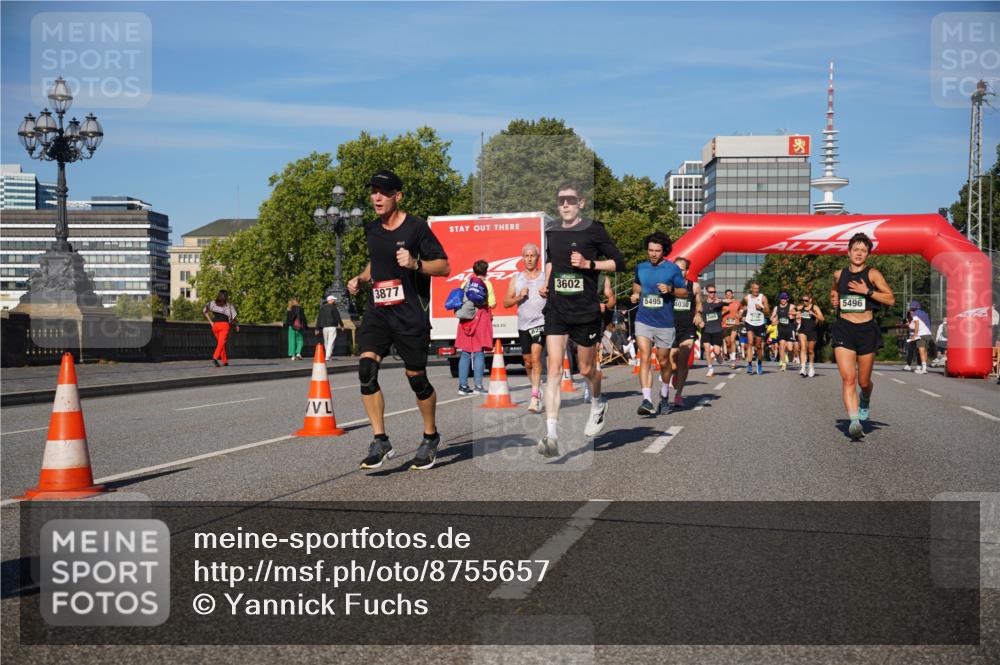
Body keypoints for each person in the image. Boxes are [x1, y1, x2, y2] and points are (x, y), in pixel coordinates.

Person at [347, 170, 450, 470]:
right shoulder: (372, 229)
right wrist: (361, 278)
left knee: (416, 378)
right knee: (366, 370)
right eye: (373, 192)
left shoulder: (417, 228)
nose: (377, 197)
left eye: (383, 192)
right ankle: (380, 440)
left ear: (398, 196)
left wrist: (416, 263)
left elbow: (444, 266)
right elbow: (376, 262)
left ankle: (430, 436)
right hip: (378, 312)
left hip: (409, 314)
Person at [536, 181, 625, 457]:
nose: (565, 204)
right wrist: (546, 282)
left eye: (571, 200)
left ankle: (598, 403)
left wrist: (590, 264)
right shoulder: (551, 231)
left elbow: (619, 262)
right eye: (561, 200)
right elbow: (551, 261)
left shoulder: (594, 229)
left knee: (586, 370)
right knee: (553, 369)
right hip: (557, 309)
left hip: (585, 310)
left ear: (581, 203)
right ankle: (551, 435)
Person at [830, 232, 894, 440]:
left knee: (863, 381)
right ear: (848, 252)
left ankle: (865, 398)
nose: (859, 253)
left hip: (866, 330)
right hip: (844, 328)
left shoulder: (873, 274)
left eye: (863, 250)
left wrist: (867, 292)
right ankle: (854, 422)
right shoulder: (839, 274)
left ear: (868, 254)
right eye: (855, 250)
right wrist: (834, 300)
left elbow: (890, 299)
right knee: (848, 378)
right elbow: (834, 290)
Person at [630, 232, 687, 415]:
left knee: (663, 361)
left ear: (664, 251)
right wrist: (636, 294)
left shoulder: (672, 269)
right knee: (644, 356)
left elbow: (684, 292)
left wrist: (670, 289)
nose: (653, 254)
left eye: (657, 251)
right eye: (650, 250)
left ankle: (664, 396)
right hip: (643, 319)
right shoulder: (641, 267)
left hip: (665, 322)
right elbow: (637, 285)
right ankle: (646, 400)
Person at [505, 243, 546, 412]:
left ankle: (534, 397)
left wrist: (548, 294)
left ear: (538, 258)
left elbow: (558, 297)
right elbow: (506, 302)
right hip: (523, 325)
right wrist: (518, 297)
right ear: (522, 258)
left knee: (535, 358)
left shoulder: (545, 277)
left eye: (532, 256)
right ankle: (537, 388)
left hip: (540, 322)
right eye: (526, 256)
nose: (529, 259)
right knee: (528, 363)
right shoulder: (516, 279)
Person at [456, 266, 493, 395]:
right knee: (479, 352)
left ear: (474, 271)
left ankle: (463, 386)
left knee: (465, 353)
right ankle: (478, 386)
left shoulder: (465, 283)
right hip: (480, 319)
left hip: (465, 321)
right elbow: (492, 302)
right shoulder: (487, 284)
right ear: (486, 271)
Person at [670, 256, 700, 408]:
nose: (678, 272)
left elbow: (699, 304)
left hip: (688, 328)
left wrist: (698, 314)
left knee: (683, 361)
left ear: (687, 271)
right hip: (670, 328)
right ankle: (675, 373)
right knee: (671, 361)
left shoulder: (694, 286)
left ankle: (678, 394)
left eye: (681, 269)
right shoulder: (668, 286)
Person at [203, 289, 238, 367]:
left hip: (215, 325)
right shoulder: (229, 306)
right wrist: (236, 325)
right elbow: (234, 318)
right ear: (226, 296)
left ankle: (224, 361)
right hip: (224, 326)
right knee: (221, 343)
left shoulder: (212, 303)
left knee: (220, 344)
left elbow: (204, 311)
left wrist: (210, 322)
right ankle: (215, 357)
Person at [743, 282, 770, 375]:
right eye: (755, 288)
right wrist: (740, 313)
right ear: (751, 289)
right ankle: (750, 364)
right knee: (750, 342)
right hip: (749, 322)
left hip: (760, 323)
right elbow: (742, 307)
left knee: (758, 346)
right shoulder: (747, 298)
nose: (756, 290)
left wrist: (761, 309)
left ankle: (759, 363)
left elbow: (768, 311)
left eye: (758, 289)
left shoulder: (763, 297)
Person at [797, 294, 824, 376]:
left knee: (811, 351)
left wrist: (814, 314)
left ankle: (811, 367)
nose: (804, 302)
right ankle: (803, 368)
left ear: (810, 300)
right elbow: (791, 311)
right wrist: (795, 313)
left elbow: (822, 318)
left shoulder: (815, 307)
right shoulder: (801, 307)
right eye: (803, 300)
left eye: (806, 300)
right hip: (802, 330)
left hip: (812, 331)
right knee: (803, 348)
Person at [701, 285, 725, 377]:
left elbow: (730, 301)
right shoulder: (703, 304)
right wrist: (700, 322)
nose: (713, 294)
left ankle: (719, 355)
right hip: (706, 330)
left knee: (716, 352)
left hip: (717, 330)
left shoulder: (719, 303)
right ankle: (710, 368)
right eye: (711, 292)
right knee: (707, 349)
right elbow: (698, 314)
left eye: (714, 292)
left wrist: (721, 300)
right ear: (707, 293)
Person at [770, 292, 797, 371]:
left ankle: (785, 355)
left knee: (790, 348)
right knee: (781, 346)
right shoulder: (776, 308)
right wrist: (773, 319)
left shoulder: (791, 306)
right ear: (780, 299)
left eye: (785, 298)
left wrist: (793, 315)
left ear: (787, 299)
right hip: (781, 329)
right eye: (782, 298)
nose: (783, 300)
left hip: (790, 329)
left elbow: (798, 313)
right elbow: (772, 318)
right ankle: (783, 364)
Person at [314, 294, 344, 362]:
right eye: (333, 299)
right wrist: (342, 325)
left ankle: (328, 355)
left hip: (324, 327)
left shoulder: (322, 308)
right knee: (331, 341)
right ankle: (327, 356)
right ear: (330, 300)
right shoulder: (333, 307)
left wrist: (317, 328)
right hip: (332, 326)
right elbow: (337, 316)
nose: (334, 301)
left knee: (326, 342)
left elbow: (319, 318)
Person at [908, 300, 932, 374]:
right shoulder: (925, 313)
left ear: (912, 308)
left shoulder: (915, 314)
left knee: (921, 350)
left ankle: (923, 369)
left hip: (921, 334)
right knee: (925, 351)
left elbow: (917, 324)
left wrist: (915, 335)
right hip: (928, 333)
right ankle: (924, 367)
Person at [721, 289, 742, 368]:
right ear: (725, 295)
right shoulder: (722, 303)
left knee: (733, 340)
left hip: (734, 323)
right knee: (728, 343)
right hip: (724, 324)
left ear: (732, 294)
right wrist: (724, 312)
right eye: (727, 294)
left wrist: (740, 314)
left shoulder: (737, 302)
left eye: (730, 294)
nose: (728, 295)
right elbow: (718, 313)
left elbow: (742, 308)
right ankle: (731, 356)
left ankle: (733, 360)